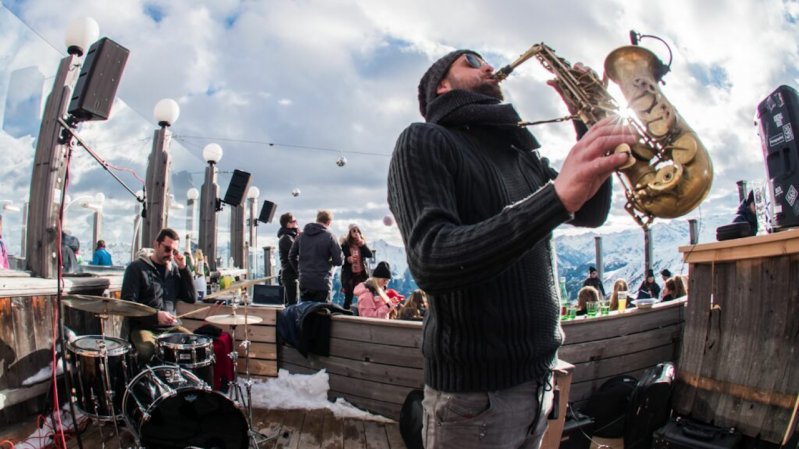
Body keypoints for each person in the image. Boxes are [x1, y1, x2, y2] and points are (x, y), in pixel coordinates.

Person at [387, 49, 635, 448]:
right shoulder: (424, 138)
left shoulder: (521, 155)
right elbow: (432, 258)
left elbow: (589, 211)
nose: (487, 66)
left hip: (540, 381)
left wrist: (587, 125)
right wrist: (554, 198)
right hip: (474, 399)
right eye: (470, 61)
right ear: (441, 85)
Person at [121, 228, 196, 365]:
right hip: (144, 327)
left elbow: (191, 298)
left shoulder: (174, 271)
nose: (170, 255)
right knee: (148, 350)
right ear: (156, 244)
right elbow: (127, 305)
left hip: (170, 328)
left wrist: (184, 269)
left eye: (174, 251)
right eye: (167, 249)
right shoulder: (137, 268)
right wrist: (155, 316)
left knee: (196, 345)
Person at [288, 210, 344, 302]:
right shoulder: (330, 236)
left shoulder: (301, 236)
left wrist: (300, 271)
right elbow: (338, 261)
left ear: (317, 219)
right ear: (329, 222)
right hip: (322, 282)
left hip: (304, 281)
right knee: (322, 313)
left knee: (306, 312)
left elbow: (291, 256)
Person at [340, 224, 373, 310]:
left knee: (364, 295)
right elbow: (340, 257)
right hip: (349, 275)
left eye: (357, 230)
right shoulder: (345, 244)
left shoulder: (361, 243)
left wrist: (362, 244)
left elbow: (369, 255)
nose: (356, 232)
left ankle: (363, 313)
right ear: (349, 233)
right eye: (353, 231)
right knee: (348, 297)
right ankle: (346, 315)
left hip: (361, 274)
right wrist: (348, 259)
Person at [278, 212, 300, 305]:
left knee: (292, 303)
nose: (296, 223)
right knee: (291, 304)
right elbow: (297, 253)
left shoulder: (290, 236)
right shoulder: (286, 238)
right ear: (288, 224)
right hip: (290, 276)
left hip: (291, 275)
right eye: (294, 221)